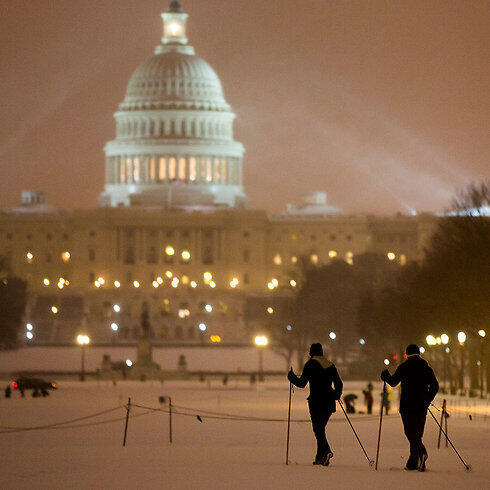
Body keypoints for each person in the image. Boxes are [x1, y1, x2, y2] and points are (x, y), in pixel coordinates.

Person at [381, 344, 439, 472]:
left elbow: (393, 382)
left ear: (407, 354)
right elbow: (435, 386)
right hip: (421, 406)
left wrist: (385, 375)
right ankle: (412, 462)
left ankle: (421, 453)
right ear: (419, 353)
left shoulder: (404, 367)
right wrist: (427, 399)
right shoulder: (426, 368)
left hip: (407, 405)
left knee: (410, 432)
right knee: (417, 433)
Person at [288, 343, 343, 466]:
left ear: (311, 353)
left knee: (318, 429)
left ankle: (326, 450)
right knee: (320, 429)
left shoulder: (310, 364)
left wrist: (291, 377)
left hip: (316, 402)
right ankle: (320, 458)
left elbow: (302, 383)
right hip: (329, 403)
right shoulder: (330, 365)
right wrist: (336, 395)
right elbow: (339, 383)